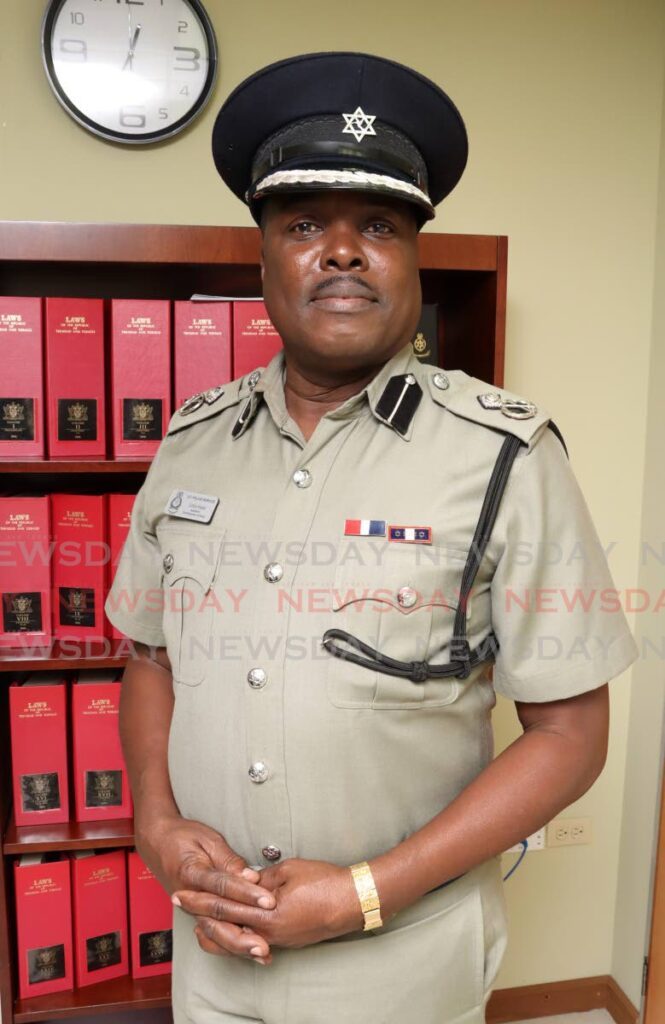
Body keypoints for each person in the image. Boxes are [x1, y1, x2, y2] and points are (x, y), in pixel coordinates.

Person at [105, 51, 639, 1024]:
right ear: (261, 256)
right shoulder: (188, 444)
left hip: (401, 960)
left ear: (412, 258)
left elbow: (570, 733)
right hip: (212, 945)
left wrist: (367, 889)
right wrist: (155, 820)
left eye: (378, 225)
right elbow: (149, 657)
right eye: (305, 223)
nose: (341, 251)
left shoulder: (505, 457)